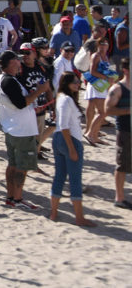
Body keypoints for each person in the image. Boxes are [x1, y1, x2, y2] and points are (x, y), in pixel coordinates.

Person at [0, 50, 50, 210]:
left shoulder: (4, 79)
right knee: (21, 166)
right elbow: (21, 103)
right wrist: (40, 90)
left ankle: (11, 197)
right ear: (11, 63)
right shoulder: (8, 81)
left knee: (12, 164)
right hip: (21, 130)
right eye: (17, 61)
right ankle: (17, 198)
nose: (20, 63)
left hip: (13, 128)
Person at [48, 71, 96, 226]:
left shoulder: (62, 98)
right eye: (75, 82)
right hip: (69, 140)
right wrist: (72, 148)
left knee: (59, 176)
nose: (78, 84)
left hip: (59, 139)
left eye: (78, 82)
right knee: (75, 179)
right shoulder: (67, 100)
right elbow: (64, 126)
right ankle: (79, 217)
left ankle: (54, 213)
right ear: (66, 83)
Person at [104, 57, 130, 209]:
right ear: (126, 70)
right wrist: (128, 111)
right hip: (125, 131)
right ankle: (119, 198)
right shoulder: (117, 89)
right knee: (122, 165)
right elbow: (108, 110)